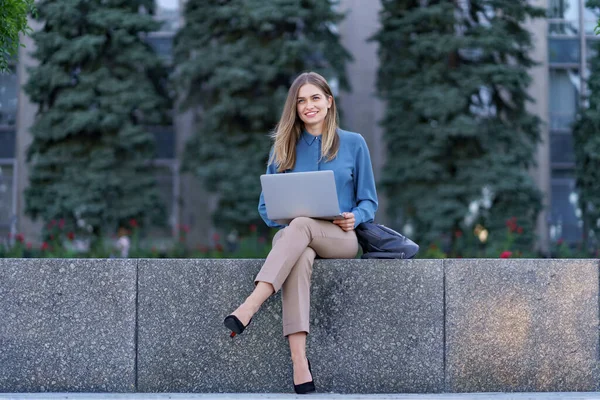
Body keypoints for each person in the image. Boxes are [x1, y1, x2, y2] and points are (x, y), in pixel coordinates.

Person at [223, 72, 378, 394]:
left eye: (315, 98)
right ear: (294, 108)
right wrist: (290, 217)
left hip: (341, 237)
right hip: (296, 239)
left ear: (329, 102)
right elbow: (266, 209)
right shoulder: (283, 147)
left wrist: (355, 216)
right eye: (301, 100)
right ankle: (299, 363)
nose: (309, 106)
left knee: (301, 227)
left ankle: (251, 305)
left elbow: (369, 201)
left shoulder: (353, 143)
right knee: (299, 248)